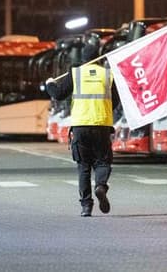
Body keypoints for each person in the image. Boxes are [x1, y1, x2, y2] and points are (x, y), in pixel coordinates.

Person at [46, 36, 117, 217]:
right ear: (98, 58)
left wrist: (49, 85)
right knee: (103, 162)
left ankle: (86, 206)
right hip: (102, 125)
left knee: (83, 167)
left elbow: (59, 94)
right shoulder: (108, 75)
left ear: (83, 58)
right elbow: (115, 101)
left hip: (80, 127)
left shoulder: (76, 73)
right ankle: (100, 186)